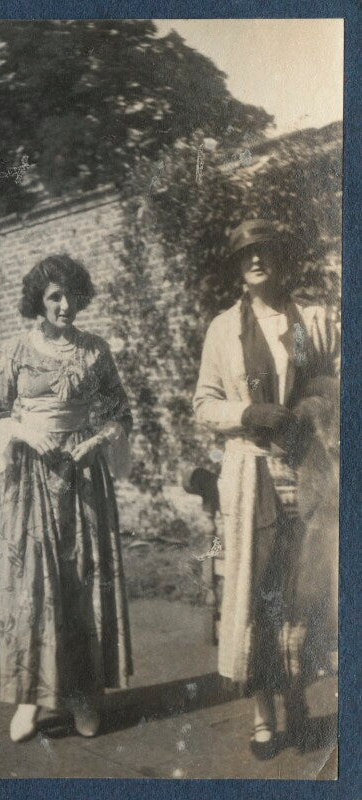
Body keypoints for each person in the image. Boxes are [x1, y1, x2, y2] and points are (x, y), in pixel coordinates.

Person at [193, 219, 339, 759]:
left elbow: (330, 379)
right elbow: (203, 405)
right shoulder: (224, 329)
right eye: (246, 254)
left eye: (265, 251)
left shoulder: (307, 320)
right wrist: (249, 411)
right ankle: (262, 715)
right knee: (258, 592)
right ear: (237, 265)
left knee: (302, 590)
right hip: (251, 474)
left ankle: (297, 702)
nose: (256, 260)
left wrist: (313, 406)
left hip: (305, 473)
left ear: (279, 258)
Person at [0, 254, 133, 742]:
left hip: (83, 478)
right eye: (54, 297)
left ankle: (85, 697)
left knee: (82, 580)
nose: (64, 305)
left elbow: (120, 413)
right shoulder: (16, 350)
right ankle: (31, 698)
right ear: (38, 301)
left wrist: (98, 439)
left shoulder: (95, 351)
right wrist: (25, 433)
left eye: (70, 295)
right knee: (33, 584)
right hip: (31, 483)